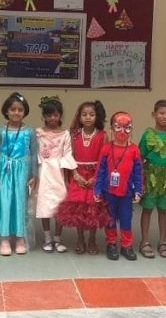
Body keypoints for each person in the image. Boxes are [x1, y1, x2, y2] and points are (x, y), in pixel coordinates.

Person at [56, 101, 111, 255]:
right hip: (78, 174)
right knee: (79, 207)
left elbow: (104, 159)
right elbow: (69, 156)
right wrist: (75, 175)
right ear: (79, 117)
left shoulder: (102, 136)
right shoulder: (74, 135)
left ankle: (92, 239)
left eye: (91, 114)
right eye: (84, 114)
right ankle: (80, 239)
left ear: (97, 117)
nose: (88, 117)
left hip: (96, 175)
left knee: (94, 207)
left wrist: (96, 178)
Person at [0, 92, 38, 256]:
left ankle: (19, 238)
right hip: (4, 172)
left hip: (22, 173)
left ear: (25, 112)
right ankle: (4, 238)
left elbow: (34, 154)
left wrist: (34, 175)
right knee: (4, 203)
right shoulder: (0, 131)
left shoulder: (29, 132)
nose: (16, 113)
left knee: (20, 204)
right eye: (13, 109)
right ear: (6, 111)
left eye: (20, 110)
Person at [94, 112, 143, 261]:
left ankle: (126, 245)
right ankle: (111, 244)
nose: (122, 131)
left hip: (126, 193)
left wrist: (138, 190)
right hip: (109, 192)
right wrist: (97, 189)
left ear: (131, 129)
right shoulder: (106, 148)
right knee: (110, 219)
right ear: (111, 129)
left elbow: (138, 172)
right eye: (118, 127)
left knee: (126, 219)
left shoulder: (134, 150)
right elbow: (100, 170)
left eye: (127, 128)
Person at [35, 96, 77, 253]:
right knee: (44, 205)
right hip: (44, 172)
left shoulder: (65, 134)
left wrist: (69, 176)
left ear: (60, 115)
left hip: (59, 173)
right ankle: (47, 238)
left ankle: (58, 238)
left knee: (61, 205)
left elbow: (67, 154)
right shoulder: (38, 133)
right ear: (44, 116)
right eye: (49, 115)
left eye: (55, 115)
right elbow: (35, 153)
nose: (52, 118)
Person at [138, 100, 166, 259]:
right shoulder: (147, 135)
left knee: (163, 210)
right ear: (154, 114)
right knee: (147, 209)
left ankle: (163, 241)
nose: (164, 116)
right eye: (161, 113)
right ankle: (144, 241)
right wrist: (139, 180)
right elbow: (139, 157)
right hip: (150, 177)